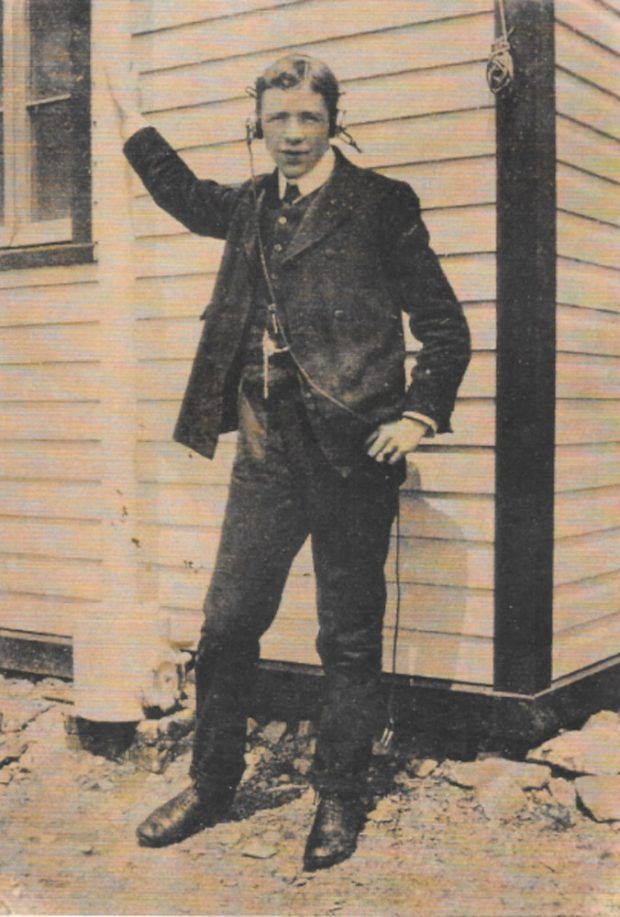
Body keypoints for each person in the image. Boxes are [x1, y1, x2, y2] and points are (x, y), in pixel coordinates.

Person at [110, 54, 471, 870]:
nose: (294, 136)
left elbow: (445, 326)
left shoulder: (382, 204)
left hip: (352, 458)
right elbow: (180, 192)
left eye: (308, 118)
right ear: (259, 126)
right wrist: (129, 118)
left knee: (346, 637)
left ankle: (339, 797)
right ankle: (212, 784)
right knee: (228, 623)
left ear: (333, 120)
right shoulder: (248, 208)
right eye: (278, 120)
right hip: (267, 454)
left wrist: (417, 413)